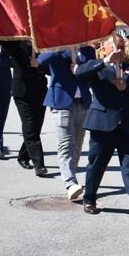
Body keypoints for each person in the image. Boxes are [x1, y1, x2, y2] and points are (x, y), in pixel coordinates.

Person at [76, 35, 129, 214]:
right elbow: (80, 73)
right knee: (96, 165)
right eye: (115, 47)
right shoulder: (97, 66)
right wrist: (106, 61)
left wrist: (127, 86)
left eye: (121, 47)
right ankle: (89, 198)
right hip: (103, 124)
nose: (118, 51)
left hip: (127, 125)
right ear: (105, 49)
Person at [39, 46, 95, 200]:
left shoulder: (87, 50)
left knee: (77, 143)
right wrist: (60, 48)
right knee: (65, 143)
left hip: (82, 101)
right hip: (61, 101)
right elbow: (41, 60)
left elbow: (91, 70)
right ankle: (70, 183)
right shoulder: (57, 47)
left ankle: (72, 174)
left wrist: (80, 67)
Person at [0, 40, 49, 177]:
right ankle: (39, 165)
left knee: (36, 128)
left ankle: (23, 156)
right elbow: (3, 38)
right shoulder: (16, 44)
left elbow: (50, 68)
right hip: (22, 92)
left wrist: (38, 64)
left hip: (40, 90)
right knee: (30, 127)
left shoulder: (41, 43)